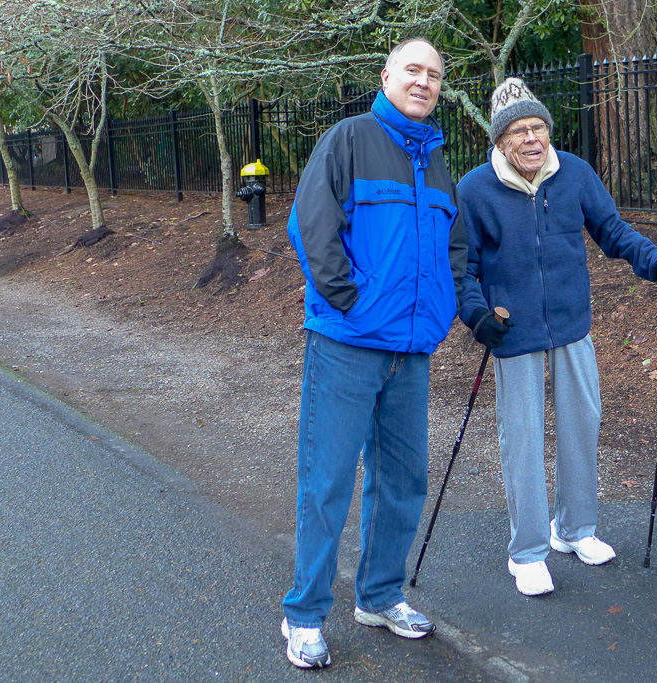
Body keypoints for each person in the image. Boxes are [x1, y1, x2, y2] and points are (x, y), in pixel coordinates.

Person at [456, 78, 657, 596]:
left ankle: (575, 529)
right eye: (518, 131)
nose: (532, 139)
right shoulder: (474, 190)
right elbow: (463, 269)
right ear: (499, 140)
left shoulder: (575, 174)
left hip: (570, 322)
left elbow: (615, 233)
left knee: (582, 422)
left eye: (538, 127)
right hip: (512, 330)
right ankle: (527, 552)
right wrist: (476, 317)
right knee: (522, 438)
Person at [280, 38, 467, 668]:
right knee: (327, 480)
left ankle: (380, 596)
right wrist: (349, 301)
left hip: (411, 350)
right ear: (386, 76)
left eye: (434, 75)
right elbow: (311, 222)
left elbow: (455, 248)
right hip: (348, 343)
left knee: (402, 481)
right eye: (412, 70)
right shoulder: (350, 138)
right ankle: (304, 614)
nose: (424, 82)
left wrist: (441, 311)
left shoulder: (437, 159)